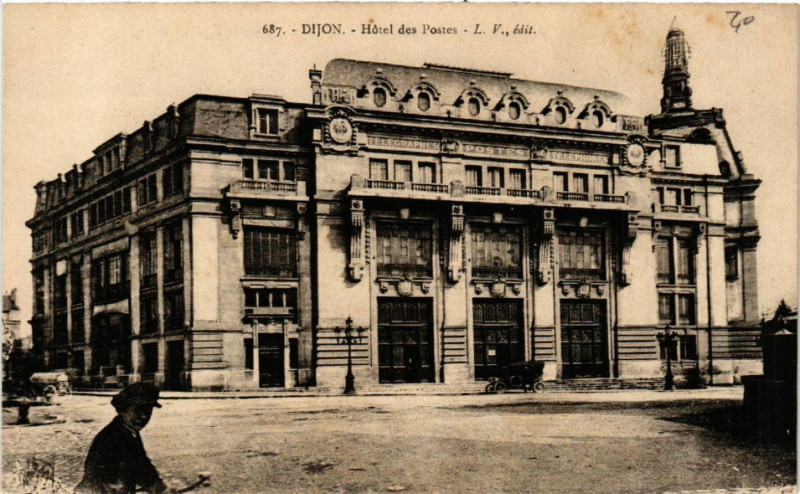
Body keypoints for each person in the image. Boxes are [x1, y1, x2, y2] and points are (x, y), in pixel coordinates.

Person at [75, 382, 167, 494]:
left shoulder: (129, 430)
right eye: (137, 410)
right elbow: (110, 482)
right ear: (123, 410)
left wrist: (156, 484)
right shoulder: (114, 437)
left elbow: (141, 462)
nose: (143, 416)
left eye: (148, 411)